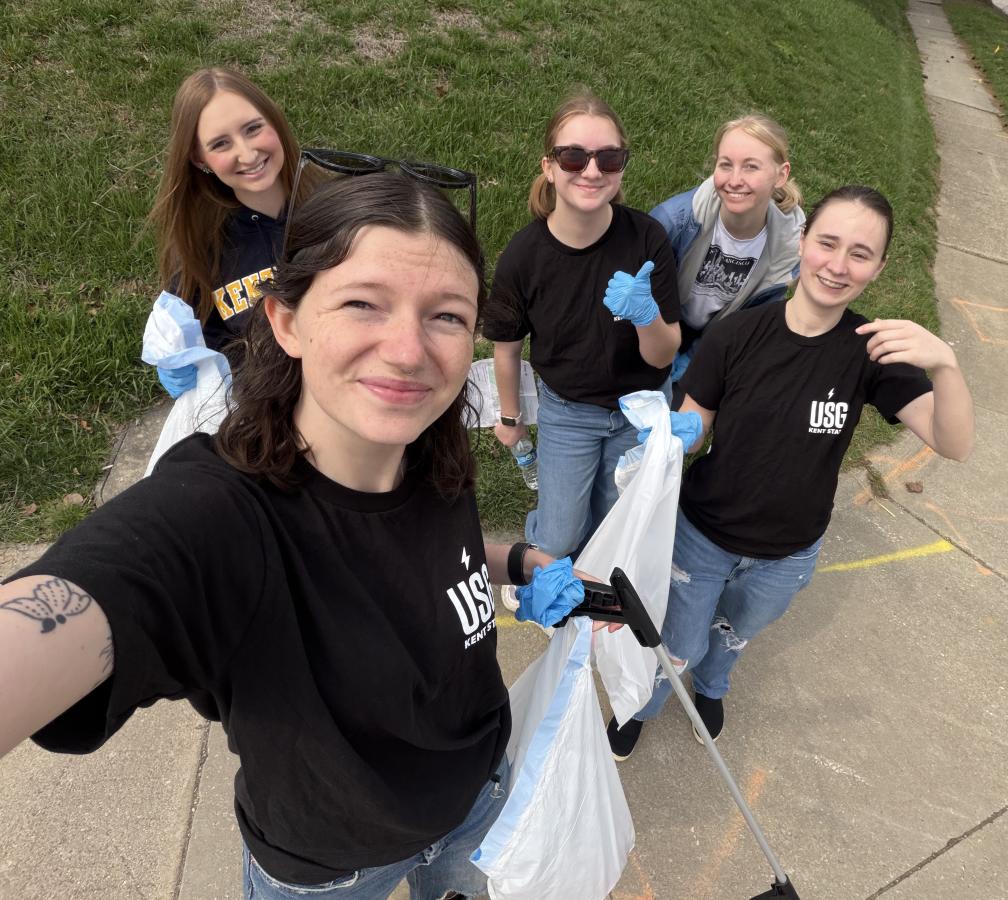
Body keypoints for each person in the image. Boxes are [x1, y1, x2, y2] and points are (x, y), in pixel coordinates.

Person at [0, 173, 594, 900]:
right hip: (334, 869)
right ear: (286, 321)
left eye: (445, 316)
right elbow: (97, 594)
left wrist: (519, 563)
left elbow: (423, 560)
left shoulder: (431, 450)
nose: (409, 351)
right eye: (362, 304)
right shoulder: (221, 514)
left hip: (477, 804)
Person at [607, 185, 975, 760]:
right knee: (676, 642)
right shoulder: (737, 334)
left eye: (860, 253)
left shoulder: (869, 352)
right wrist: (671, 439)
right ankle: (643, 706)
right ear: (803, 242)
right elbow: (693, 422)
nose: (837, 264)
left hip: (788, 553)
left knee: (732, 636)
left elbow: (953, 443)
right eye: (827, 243)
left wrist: (945, 365)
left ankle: (713, 687)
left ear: (877, 268)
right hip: (702, 536)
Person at [484, 91, 682, 561]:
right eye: (573, 156)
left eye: (608, 158)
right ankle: (536, 560)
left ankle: (593, 592)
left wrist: (646, 315)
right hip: (568, 413)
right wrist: (511, 420)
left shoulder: (646, 237)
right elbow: (507, 351)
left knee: (616, 521)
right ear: (549, 166)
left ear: (621, 166)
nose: (592, 171)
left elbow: (662, 354)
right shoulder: (524, 256)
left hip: (639, 409)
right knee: (558, 534)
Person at [147, 67, 301, 397]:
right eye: (220, 144)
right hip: (265, 416)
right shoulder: (202, 247)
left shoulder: (336, 210)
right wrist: (185, 361)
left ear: (274, 121)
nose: (247, 154)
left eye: (253, 128)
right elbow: (208, 339)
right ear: (199, 159)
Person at [650, 114, 806, 387]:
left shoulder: (787, 249)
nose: (734, 180)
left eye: (751, 167)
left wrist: (697, 357)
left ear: (781, 175)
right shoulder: (675, 220)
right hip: (661, 321)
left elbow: (750, 322)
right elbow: (641, 286)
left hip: (716, 336)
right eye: (726, 165)